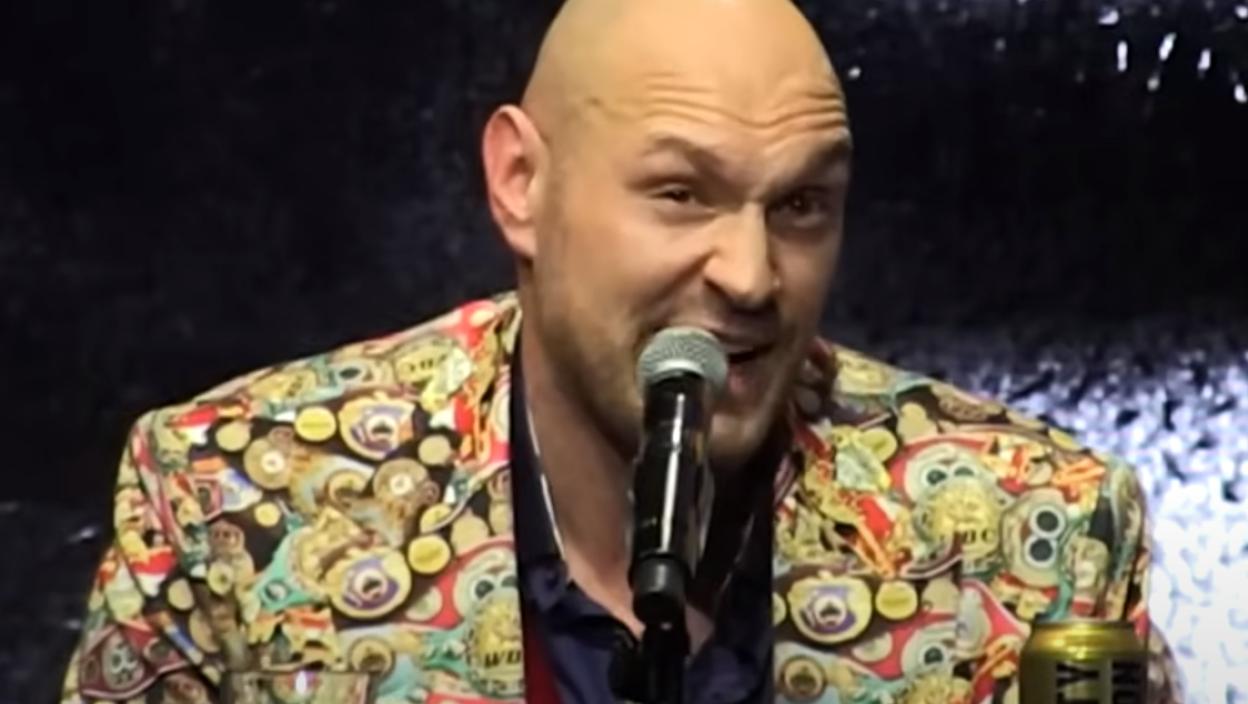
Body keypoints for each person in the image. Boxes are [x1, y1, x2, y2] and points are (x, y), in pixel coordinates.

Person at [60, 0, 1180, 702]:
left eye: (801, 206)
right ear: (520, 184)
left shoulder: (1041, 535)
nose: (751, 275)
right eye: (681, 193)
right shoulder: (233, 500)